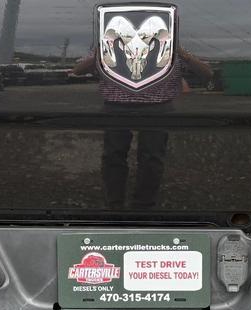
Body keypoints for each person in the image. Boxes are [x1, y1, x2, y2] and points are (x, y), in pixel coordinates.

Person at [72, 44, 212, 209]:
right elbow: (78, 70)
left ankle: (144, 205)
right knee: (113, 156)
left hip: (158, 107)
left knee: (152, 158)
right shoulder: (109, 44)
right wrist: (102, 51)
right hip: (116, 106)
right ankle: (114, 204)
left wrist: (180, 52)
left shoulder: (170, 46)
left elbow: (206, 73)